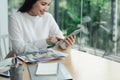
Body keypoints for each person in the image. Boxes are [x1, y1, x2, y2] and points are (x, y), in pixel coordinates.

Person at [9, 0, 76, 54]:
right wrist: (45, 42)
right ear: (32, 2)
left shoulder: (48, 17)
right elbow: (18, 49)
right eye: (43, 4)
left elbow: (59, 40)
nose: (46, 8)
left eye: (48, 4)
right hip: (20, 63)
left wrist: (66, 43)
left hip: (42, 60)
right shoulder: (15, 18)